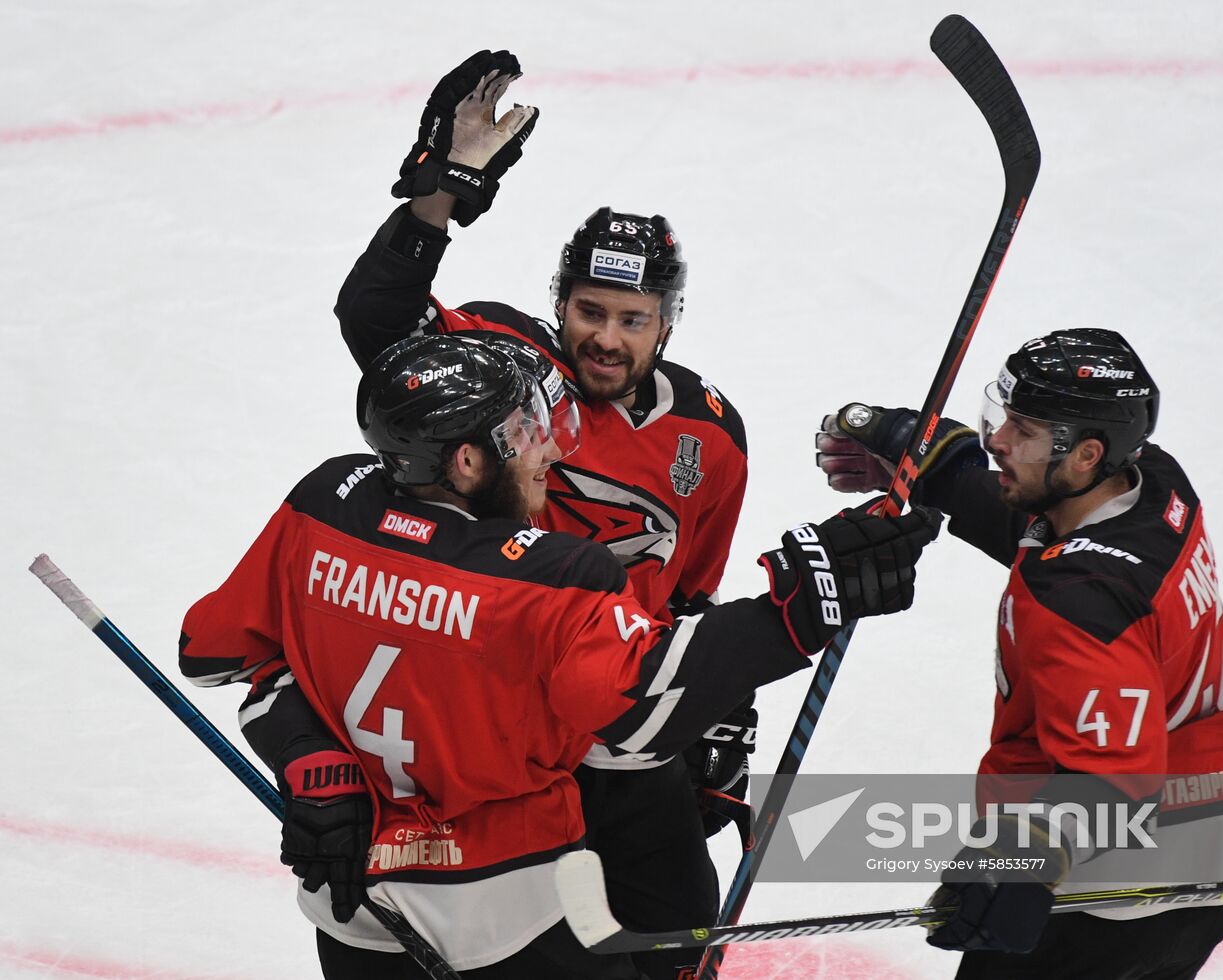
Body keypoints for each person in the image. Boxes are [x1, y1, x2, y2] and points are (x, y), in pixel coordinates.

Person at [180, 333, 936, 978]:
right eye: (526, 430)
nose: (549, 448)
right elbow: (639, 713)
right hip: (515, 921)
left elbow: (216, 655)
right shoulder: (544, 575)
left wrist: (310, 757)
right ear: (469, 461)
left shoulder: (325, 504)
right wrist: (800, 607)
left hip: (354, 916)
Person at [334, 49, 758, 976]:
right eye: (589, 308)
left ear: (667, 323)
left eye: (632, 318)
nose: (605, 337)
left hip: (616, 728)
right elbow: (374, 318)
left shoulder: (710, 439)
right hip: (489, 726)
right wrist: (441, 194)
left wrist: (718, 714)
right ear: (558, 301)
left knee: (677, 945)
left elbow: (689, 595)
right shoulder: (503, 361)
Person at [816, 328, 1223, 979]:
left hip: (1095, 913)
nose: (997, 440)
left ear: (1086, 455)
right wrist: (940, 468)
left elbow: (1114, 778)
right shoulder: (1155, 485)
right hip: (1199, 875)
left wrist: (1020, 862)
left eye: (1022, 429)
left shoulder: (1077, 604)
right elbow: (1043, 532)